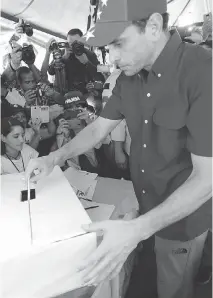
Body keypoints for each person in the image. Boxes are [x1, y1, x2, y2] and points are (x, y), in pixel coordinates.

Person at [25, 0, 212, 297]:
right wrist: (55, 156)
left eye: (118, 44)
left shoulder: (203, 72)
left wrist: (137, 230)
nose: (111, 58)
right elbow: (99, 128)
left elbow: (207, 179)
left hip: (181, 221)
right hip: (145, 207)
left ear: (153, 26)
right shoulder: (128, 78)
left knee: (175, 288)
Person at [48, 28, 104, 94]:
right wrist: (63, 59)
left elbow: (100, 77)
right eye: (69, 43)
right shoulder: (62, 53)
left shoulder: (90, 55)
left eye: (75, 43)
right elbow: (50, 72)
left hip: (84, 94)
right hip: (64, 93)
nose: (72, 46)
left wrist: (87, 63)